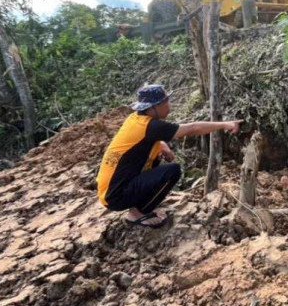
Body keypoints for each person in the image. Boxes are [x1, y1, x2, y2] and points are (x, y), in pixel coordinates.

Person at [96, 84, 241, 228]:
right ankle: (137, 213)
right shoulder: (152, 127)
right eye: (165, 102)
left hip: (110, 190)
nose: (168, 106)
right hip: (116, 196)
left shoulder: (136, 119)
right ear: (153, 108)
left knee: (157, 157)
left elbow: (148, 138)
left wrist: (162, 145)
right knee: (172, 171)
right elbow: (192, 128)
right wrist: (225, 125)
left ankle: (138, 204)